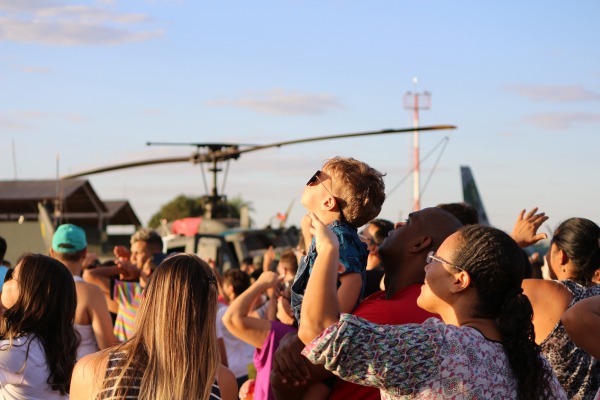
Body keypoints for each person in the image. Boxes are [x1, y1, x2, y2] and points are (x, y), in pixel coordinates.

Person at [298, 214, 567, 399]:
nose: (427, 266)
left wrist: (328, 249)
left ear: (459, 280)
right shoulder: (535, 364)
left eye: (434, 259)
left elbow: (319, 332)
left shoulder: (436, 347)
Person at [271, 207, 461, 400]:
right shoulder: (390, 300)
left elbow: (289, 375)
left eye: (408, 222)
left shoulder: (387, 313)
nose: (397, 224)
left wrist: (328, 249)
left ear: (420, 243)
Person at [70, 253, 237, 400]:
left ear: (144, 298)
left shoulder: (90, 370)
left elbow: (91, 275)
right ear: (211, 311)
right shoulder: (221, 382)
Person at [291, 157, 386, 324]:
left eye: (315, 178)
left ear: (328, 202)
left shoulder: (339, 236)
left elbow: (352, 281)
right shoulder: (331, 234)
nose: (309, 183)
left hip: (320, 334)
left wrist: (329, 327)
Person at [518, 216, 600, 399]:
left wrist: (514, 242)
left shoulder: (539, 292)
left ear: (561, 255)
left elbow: (483, 280)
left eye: (549, 251)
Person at [0, 253, 79, 399]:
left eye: (11, 276)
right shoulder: (50, 345)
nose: (5, 281)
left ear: (29, 296)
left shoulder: (17, 352)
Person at [223, 271, 297, 400]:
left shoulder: (281, 334)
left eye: (282, 296)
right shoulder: (295, 335)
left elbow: (230, 318)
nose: (278, 299)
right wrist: (258, 384)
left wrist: (260, 283)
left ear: (292, 310)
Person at [49, 224, 119, 359]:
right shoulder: (91, 292)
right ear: (84, 252)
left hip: (42, 377)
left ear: (52, 252)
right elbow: (108, 346)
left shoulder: (37, 289)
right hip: (83, 375)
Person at [84, 228, 164, 341]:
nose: (132, 258)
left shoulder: (133, 292)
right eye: (132, 253)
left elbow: (89, 275)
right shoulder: (165, 292)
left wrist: (122, 269)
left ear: (155, 254)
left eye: (138, 253)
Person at [216, 269, 255, 389]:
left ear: (231, 288)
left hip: (234, 370)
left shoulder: (223, 314)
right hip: (252, 365)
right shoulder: (251, 310)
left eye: (225, 285)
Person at [359, 218, 394, 297]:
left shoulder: (363, 279)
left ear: (374, 248)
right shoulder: (391, 279)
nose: (356, 237)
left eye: (361, 235)